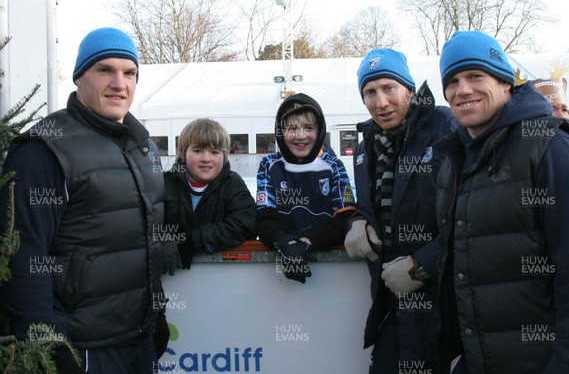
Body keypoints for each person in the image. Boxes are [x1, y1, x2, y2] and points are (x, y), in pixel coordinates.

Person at [0, 27, 172, 373]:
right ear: (79, 77)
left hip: (137, 341)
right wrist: (50, 349)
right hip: (82, 350)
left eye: (130, 73)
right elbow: (24, 255)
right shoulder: (44, 150)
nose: (119, 83)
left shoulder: (142, 146)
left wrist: (156, 318)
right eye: (105, 70)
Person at [435, 30, 569, 374]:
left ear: (505, 83)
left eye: (475, 76)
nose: (462, 89)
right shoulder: (456, 160)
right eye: (451, 80)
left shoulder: (553, 149)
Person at [344, 48, 456, 373]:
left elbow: (471, 214)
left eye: (388, 88)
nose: (381, 102)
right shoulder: (366, 146)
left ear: (408, 88)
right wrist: (358, 220)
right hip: (391, 301)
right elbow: (369, 204)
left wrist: (423, 266)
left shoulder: (445, 126)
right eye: (370, 92)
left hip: (444, 304)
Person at [256, 93, 356, 283]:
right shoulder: (269, 165)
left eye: (308, 128)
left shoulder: (333, 166)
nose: (300, 136)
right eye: (292, 128)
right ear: (280, 132)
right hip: (277, 267)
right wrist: (285, 242)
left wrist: (309, 242)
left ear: (319, 131)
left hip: (329, 268)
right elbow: (264, 217)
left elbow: (344, 218)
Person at [163, 118, 256, 269]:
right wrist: (163, 242)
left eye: (214, 152)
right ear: (182, 154)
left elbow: (245, 224)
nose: (206, 159)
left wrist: (193, 241)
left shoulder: (232, 184)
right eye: (198, 150)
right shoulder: (165, 184)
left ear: (224, 156)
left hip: (217, 277)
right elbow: (146, 224)